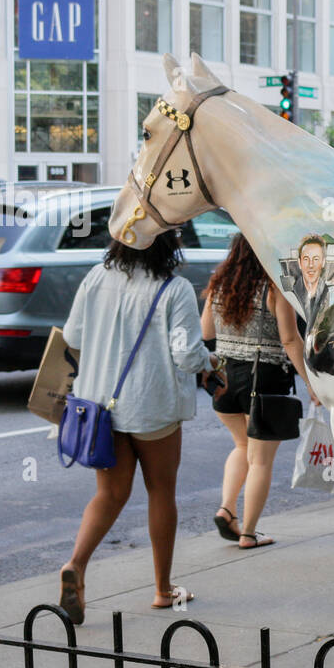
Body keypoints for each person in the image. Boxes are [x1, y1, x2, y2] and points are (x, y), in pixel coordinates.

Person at [58, 229, 221, 622]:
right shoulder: (175, 288)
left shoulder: (97, 276)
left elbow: (73, 335)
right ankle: (163, 589)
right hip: (153, 408)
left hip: (99, 408)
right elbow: (185, 355)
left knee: (110, 494)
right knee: (161, 491)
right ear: (169, 245)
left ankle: (76, 566)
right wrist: (210, 364)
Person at [201, 233, 319, 550]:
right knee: (261, 461)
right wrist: (311, 382)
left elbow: (206, 332)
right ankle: (249, 533)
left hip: (224, 380)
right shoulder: (274, 287)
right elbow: (291, 340)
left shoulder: (219, 284)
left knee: (242, 446)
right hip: (264, 382)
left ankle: (227, 509)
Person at [294, 234, 330, 330]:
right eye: (306, 259)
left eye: (316, 259)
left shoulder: (328, 294)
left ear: (323, 262)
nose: (311, 265)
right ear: (299, 263)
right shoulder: (290, 295)